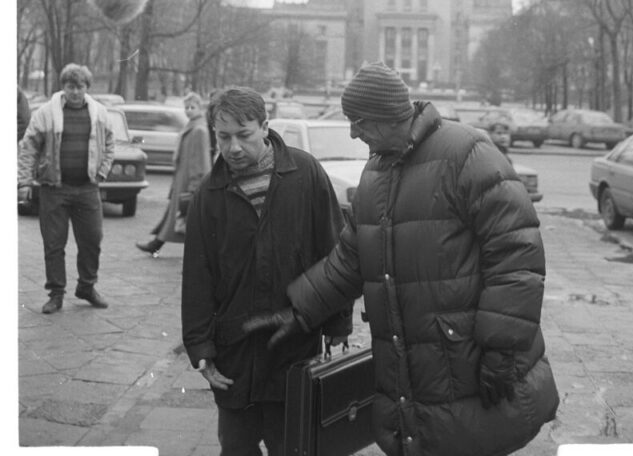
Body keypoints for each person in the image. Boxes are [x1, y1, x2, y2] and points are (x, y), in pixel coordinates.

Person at [244, 62, 559, 456]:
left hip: (470, 360)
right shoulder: (375, 171)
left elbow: (517, 255)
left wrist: (502, 349)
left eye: (358, 121)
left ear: (389, 115)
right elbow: (350, 258)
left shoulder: (468, 153)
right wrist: (299, 310)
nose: (353, 132)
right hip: (411, 370)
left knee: (469, 439)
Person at [181, 86, 352, 456]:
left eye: (244, 135)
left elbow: (335, 254)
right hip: (235, 352)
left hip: (295, 345)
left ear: (265, 127)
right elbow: (197, 278)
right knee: (236, 447)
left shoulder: (305, 173)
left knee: (291, 446)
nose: (233, 147)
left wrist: (338, 323)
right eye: (223, 137)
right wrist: (199, 346)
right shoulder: (208, 195)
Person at [17, 63, 115, 314]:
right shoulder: (46, 113)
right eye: (70, 86)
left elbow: (110, 143)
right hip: (54, 189)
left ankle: (87, 287)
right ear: (63, 87)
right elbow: (29, 146)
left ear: (86, 87)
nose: (75, 92)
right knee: (53, 244)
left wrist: (102, 172)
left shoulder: (100, 113)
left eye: (80, 87)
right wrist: (24, 181)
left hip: (87, 189)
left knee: (92, 240)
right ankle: (56, 293)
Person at [136, 91, 211, 256]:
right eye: (186, 108)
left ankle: (157, 245)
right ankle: (156, 244)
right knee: (175, 217)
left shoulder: (199, 130)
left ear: (200, 108)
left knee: (184, 219)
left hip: (189, 182)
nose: (189, 111)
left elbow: (199, 161)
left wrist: (194, 185)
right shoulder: (192, 126)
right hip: (182, 180)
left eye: (192, 107)